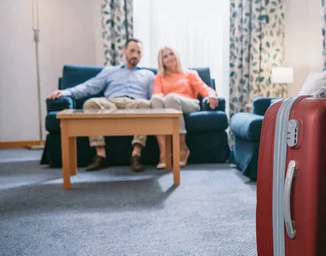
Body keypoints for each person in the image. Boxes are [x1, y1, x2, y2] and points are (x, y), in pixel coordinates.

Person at [47, 38, 154, 173]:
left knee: (146, 105)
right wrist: (65, 92)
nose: (135, 55)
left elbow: (153, 97)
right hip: (111, 103)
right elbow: (88, 87)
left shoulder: (148, 75)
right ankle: (101, 154)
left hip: (136, 103)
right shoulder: (110, 71)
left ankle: (136, 155)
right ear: (124, 51)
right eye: (132, 51)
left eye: (139, 52)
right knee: (90, 103)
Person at [151, 46, 219, 168]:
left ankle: (182, 149)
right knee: (156, 99)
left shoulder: (190, 74)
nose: (169, 58)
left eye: (171, 54)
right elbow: (157, 94)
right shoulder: (158, 77)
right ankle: (164, 152)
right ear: (162, 61)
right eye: (165, 56)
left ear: (176, 55)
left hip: (190, 103)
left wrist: (212, 94)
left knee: (171, 97)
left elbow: (203, 88)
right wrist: (161, 99)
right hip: (169, 106)